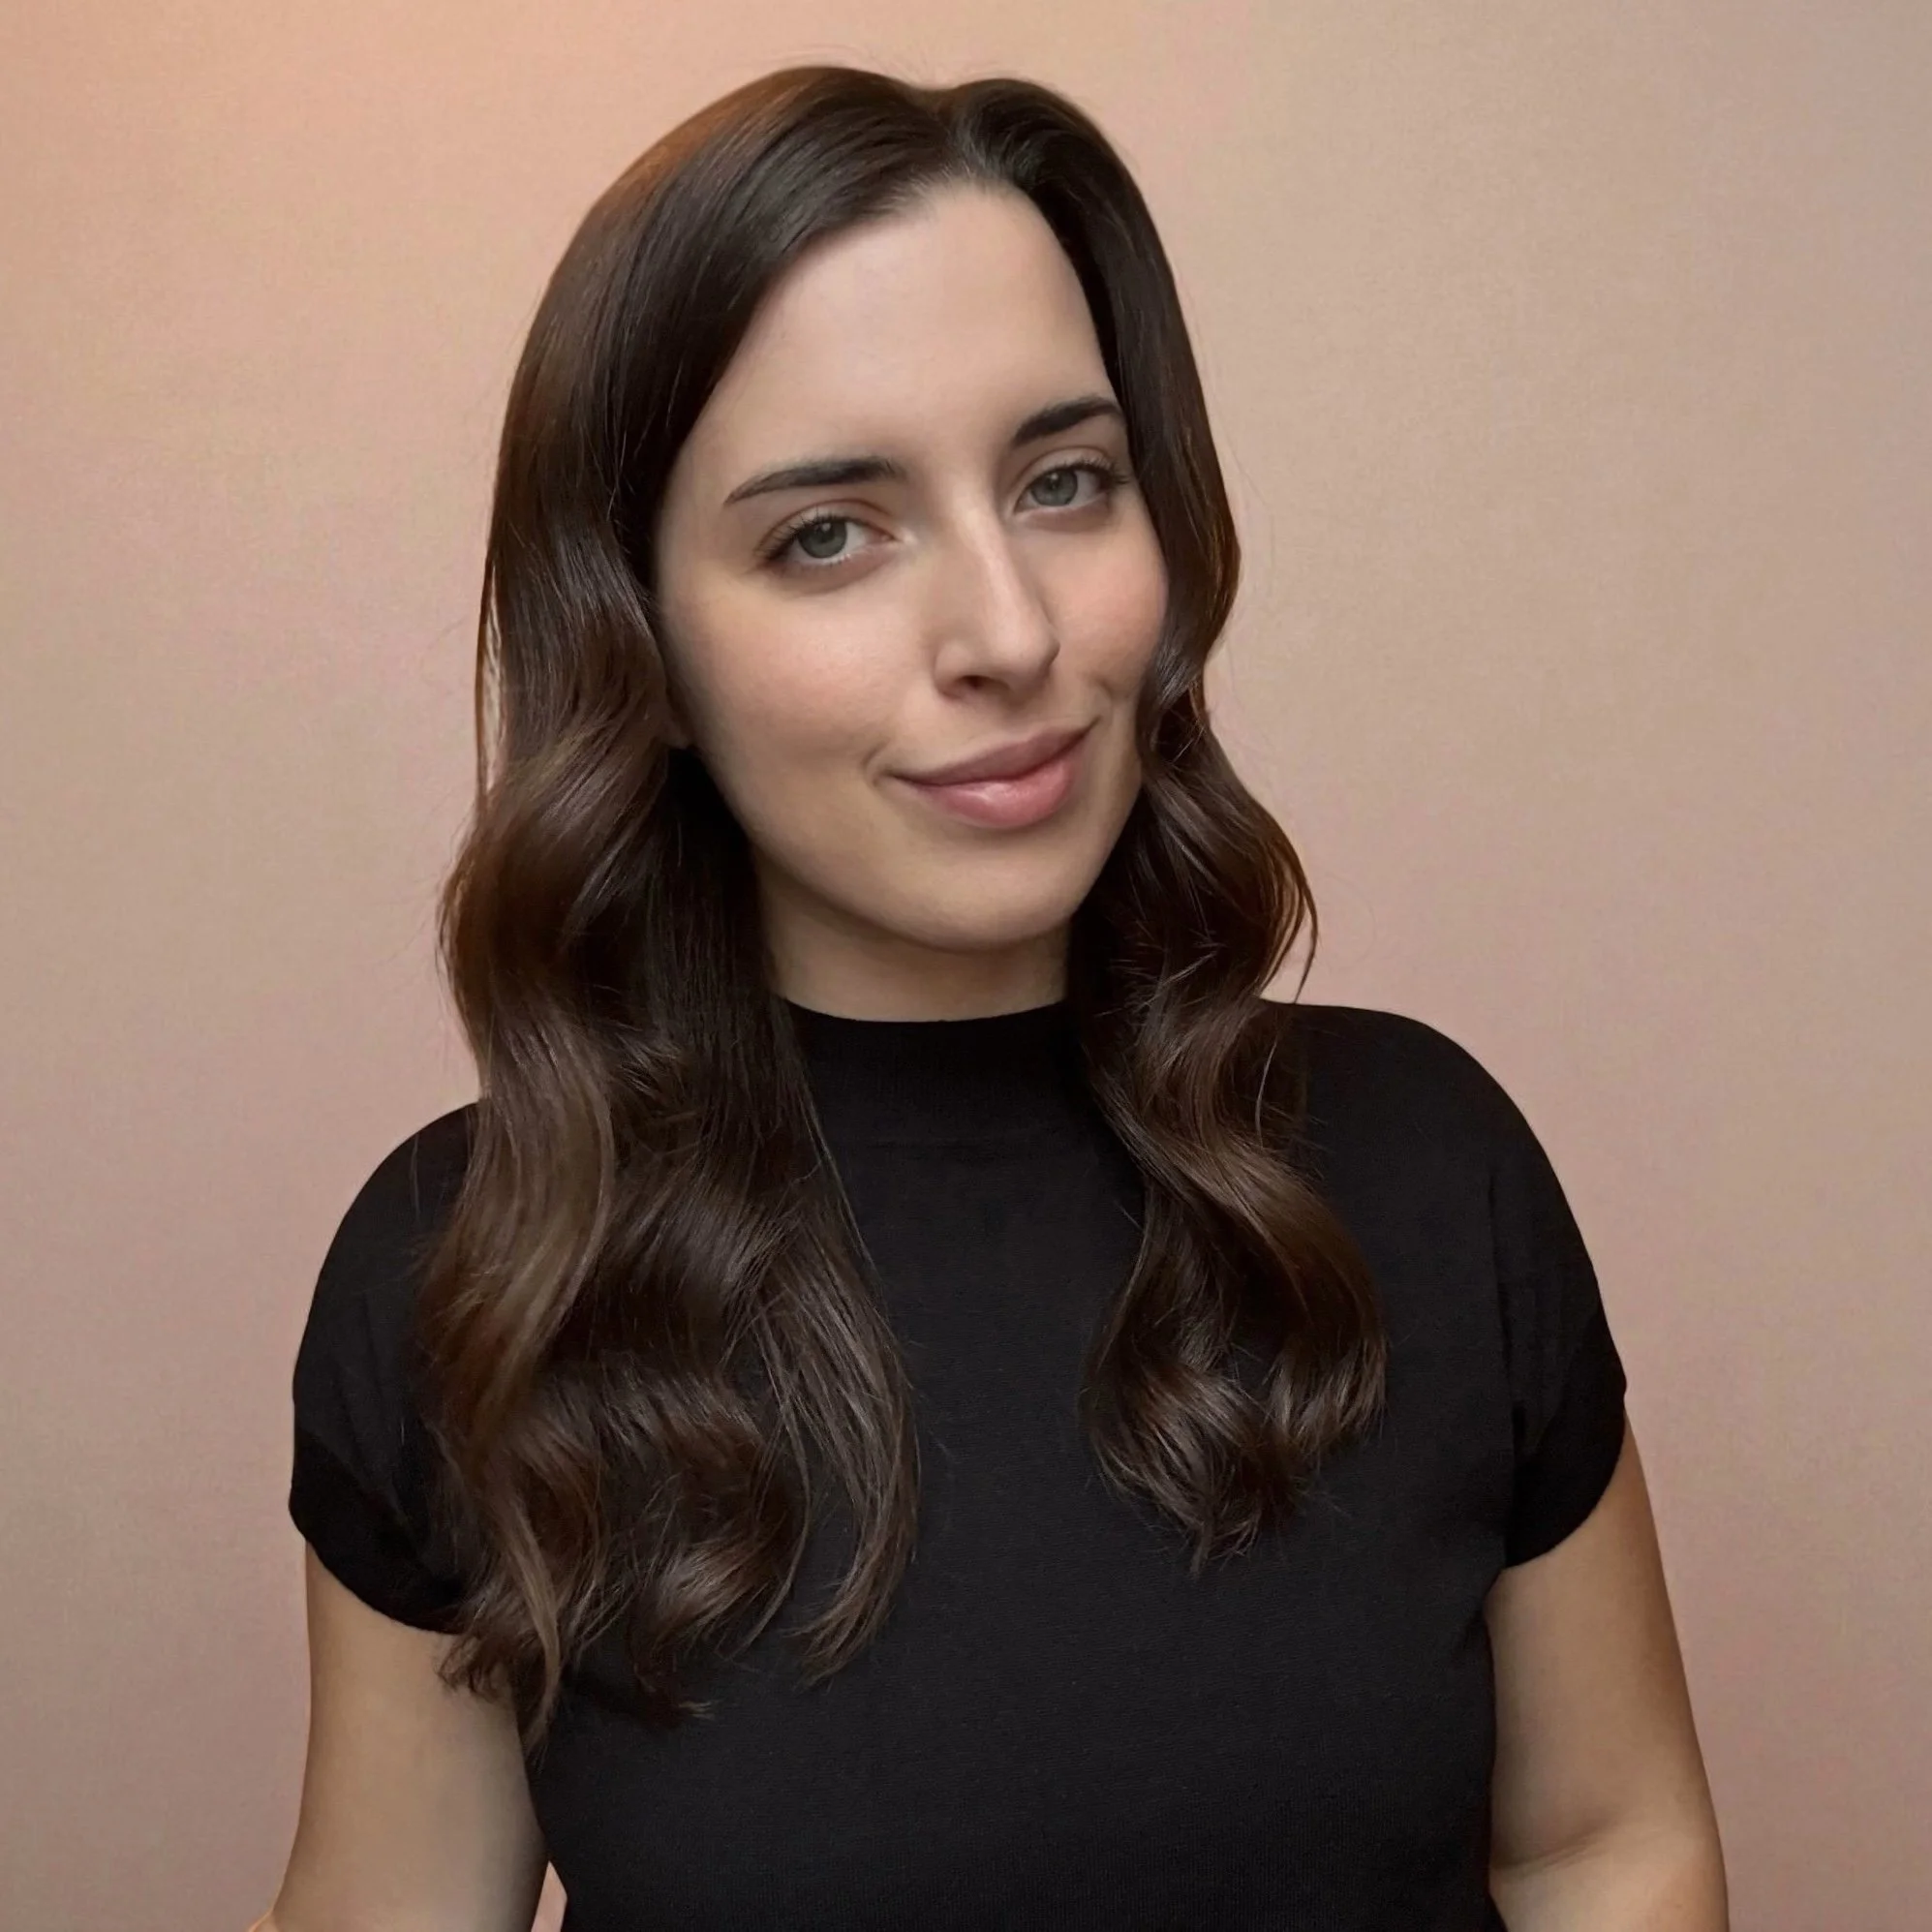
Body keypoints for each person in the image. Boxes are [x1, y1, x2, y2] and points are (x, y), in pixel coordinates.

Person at [253, 63, 1727, 1932]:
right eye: (828, 533)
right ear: (639, 637)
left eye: (1062, 482)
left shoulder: (1427, 1162)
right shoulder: (465, 1268)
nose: (1012, 632)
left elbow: (1605, 1844)